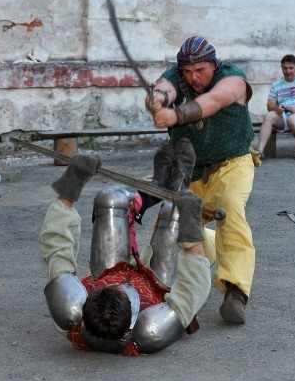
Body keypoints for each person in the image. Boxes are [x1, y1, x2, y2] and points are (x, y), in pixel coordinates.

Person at [38, 140, 212, 355]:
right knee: (175, 210)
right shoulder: (151, 331)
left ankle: (157, 186)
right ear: (132, 318)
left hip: (112, 270)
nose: (121, 283)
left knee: (110, 198)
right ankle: (180, 184)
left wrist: (72, 184)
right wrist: (192, 226)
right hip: (158, 283)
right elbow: (194, 288)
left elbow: (57, 247)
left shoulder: (70, 312)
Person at [145, 36, 256, 324]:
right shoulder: (176, 77)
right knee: (170, 223)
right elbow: (163, 87)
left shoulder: (233, 79)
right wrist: (156, 100)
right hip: (189, 169)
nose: (194, 78)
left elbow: (216, 100)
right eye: (188, 71)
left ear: (213, 64)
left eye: (201, 70)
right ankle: (157, 285)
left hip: (232, 165)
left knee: (230, 208)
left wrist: (177, 115)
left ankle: (235, 291)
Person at [255, 54, 295, 160]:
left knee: (293, 119)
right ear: (281, 68)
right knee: (269, 116)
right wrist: (276, 109)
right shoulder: (277, 84)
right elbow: (270, 104)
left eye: (291, 68)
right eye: (285, 68)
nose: (288, 71)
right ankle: (260, 151)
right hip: (284, 115)